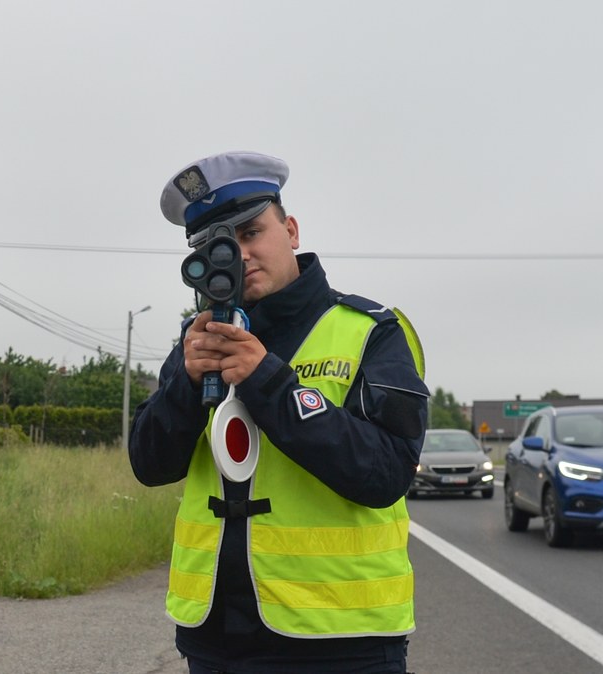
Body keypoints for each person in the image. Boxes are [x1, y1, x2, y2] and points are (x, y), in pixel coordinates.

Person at [128, 151, 429, 674]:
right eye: (214, 246)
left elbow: (386, 474)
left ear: (290, 229)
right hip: (214, 637)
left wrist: (268, 380)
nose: (237, 255)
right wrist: (186, 385)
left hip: (342, 640)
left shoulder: (371, 331)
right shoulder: (196, 340)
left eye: (250, 233)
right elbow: (150, 466)